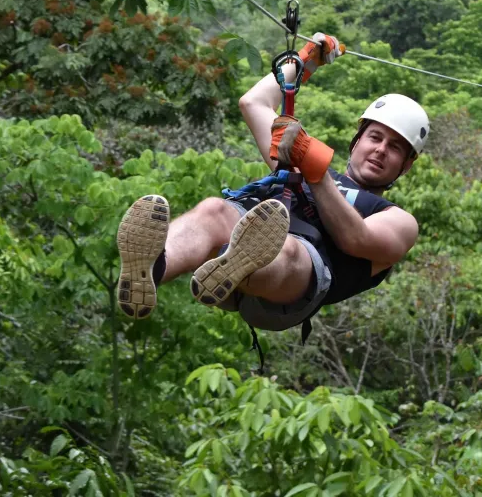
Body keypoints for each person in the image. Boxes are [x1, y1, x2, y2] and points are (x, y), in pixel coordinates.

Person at [115, 32, 429, 338]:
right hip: (237, 250)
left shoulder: (399, 221)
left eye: (395, 147)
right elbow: (253, 103)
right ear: (356, 141)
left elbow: (355, 239)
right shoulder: (302, 163)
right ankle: (153, 268)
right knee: (213, 210)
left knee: (287, 248)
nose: (381, 150)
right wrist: (306, 60)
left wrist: (312, 165)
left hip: (291, 288)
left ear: (406, 165)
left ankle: (237, 264)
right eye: (375, 137)